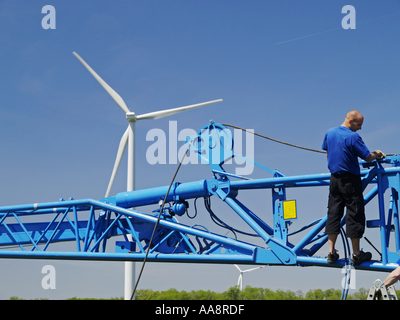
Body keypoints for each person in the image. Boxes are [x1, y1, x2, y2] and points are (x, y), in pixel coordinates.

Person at [322, 110, 384, 265]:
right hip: (350, 180)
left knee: (333, 213)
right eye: (359, 124)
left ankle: (331, 252)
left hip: (334, 179)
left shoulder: (330, 132)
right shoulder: (353, 136)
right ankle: (356, 254)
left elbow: (328, 152)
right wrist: (377, 153)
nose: (360, 128)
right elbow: (368, 157)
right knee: (354, 213)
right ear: (351, 122)